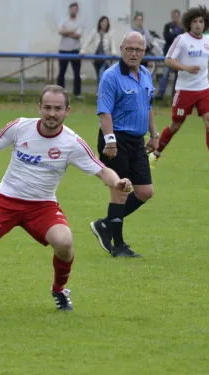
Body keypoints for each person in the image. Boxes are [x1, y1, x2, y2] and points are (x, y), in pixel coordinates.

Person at [0, 85, 132, 312]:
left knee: (65, 242)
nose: (52, 113)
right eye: (47, 107)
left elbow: (102, 170)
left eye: (58, 108)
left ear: (67, 111)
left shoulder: (72, 143)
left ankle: (59, 290)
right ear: (40, 108)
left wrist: (118, 182)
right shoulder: (20, 126)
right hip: (6, 199)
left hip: (43, 205)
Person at [89, 32, 157, 258]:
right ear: (121, 49)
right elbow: (104, 112)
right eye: (130, 49)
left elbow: (147, 107)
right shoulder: (111, 76)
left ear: (144, 52)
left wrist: (154, 135)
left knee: (145, 191)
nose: (134, 53)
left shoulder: (146, 74)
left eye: (138, 50)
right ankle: (118, 245)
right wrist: (110, 142)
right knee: (120, 190)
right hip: (115, 139)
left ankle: (106, 225)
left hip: (137, 141)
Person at [149, 6, 209, 172]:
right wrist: (185, 68)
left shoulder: (208, 40)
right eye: (195, 21)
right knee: (176, 125)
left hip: (203, 88)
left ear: (205, 23)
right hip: (184, 90)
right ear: (189, 23)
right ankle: (155, 155)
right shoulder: (182, 40)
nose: (198, 24)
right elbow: (168, 60)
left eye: (201, 21)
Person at [57, 2, 84, 98]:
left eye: (76, 9)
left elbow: (78, 35)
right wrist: (72, 30)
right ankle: (59, 93)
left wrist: (66, 31)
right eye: (72, 9)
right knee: (61, 72)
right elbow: (60, 31)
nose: (74, 11)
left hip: (75, 50)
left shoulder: (79, 22)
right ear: (69, 10)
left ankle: (77, 93)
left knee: (77, 73)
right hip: (63, 50)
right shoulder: (64, 20)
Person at [154, 9, 183, 100]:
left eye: (177, 16)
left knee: (178, 77)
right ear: (172, 17)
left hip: (178, 56)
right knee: (165, 74)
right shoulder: (167, 26)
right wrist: (176, 36)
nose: (176, 18)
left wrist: (174, 37)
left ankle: (175, 96)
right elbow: (167, 38)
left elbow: (182, 40)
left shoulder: (182, 28)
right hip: (168, 54)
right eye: (174, 16)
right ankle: (161, 94)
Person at [80, 16, 117, 81]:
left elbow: (113, 44)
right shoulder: (95, 32)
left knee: (102, 75)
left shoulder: (110, 33)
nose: (104, 24)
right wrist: (83, 50)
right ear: (99, 23)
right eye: (103, 22)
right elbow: (87, 42)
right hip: (96, 58)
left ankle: (101, 90)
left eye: (106, 22)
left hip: (106, 58)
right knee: (99, 76)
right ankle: (100, 90)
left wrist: (114, 52)